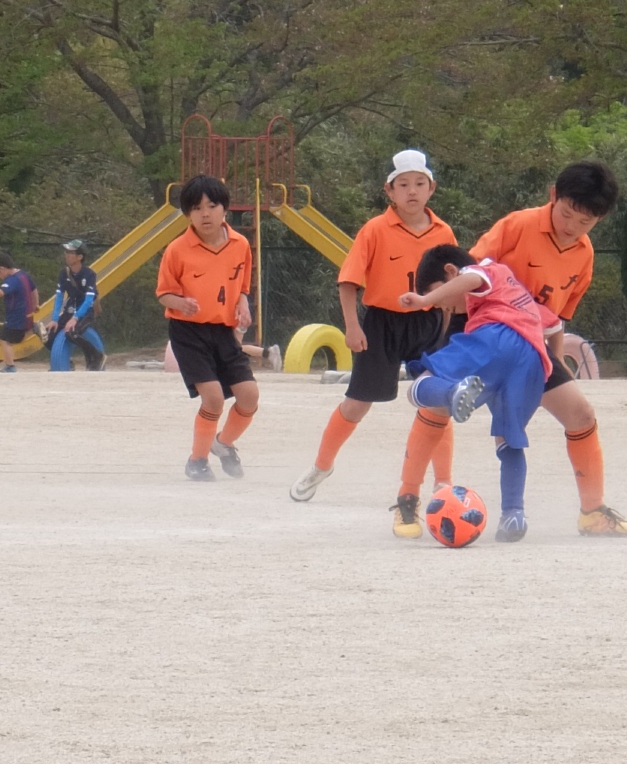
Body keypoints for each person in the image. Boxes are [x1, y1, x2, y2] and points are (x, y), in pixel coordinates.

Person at [288, 149, 458, 540]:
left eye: (419, 183)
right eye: (403, 184)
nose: (412, 191)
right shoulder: (375, 230)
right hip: (382, 323)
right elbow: (349, 281)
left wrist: (448, 331)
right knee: (357, 403)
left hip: (429, 322)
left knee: (439, 400)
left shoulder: (443, 233)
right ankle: (321, 466)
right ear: (389, 191)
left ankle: (443, 482)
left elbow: (453, 285)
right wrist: (352, 327)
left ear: (431, 188)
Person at [469, 161, 627, 536]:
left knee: (581, 414)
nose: (572, 227)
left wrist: (556, 359)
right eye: (566, 214)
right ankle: (411, 498)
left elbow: (557, 317)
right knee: (440, 407)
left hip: (535, 346)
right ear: (553, 195)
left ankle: (591, 513)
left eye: (585, 222)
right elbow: (470, 273)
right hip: (491, 337)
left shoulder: (584, 255)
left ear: (600, 219)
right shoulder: (517, 226)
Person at [398, 245, 552, 542]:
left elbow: (470, 278)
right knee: (509, 441)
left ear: (450, 272)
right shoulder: (514, 288)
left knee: (418, 386)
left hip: (497, 338)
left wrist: (424, 300)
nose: (443, 306)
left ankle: (452, 392)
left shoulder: (487, 270)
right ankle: (513, 513)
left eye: (441, 297)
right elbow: (553, 324)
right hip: (533, 361)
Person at [156, 174, 258, 481]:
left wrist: (243, 303)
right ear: (187, 213)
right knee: (213, 398)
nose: (205, 214)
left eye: (212, 206)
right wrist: (180, 302)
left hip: (224, 331)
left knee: (249, 396)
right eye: (197, 208)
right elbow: (163, 294)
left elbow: (242, 284)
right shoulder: (177, 249)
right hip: (188, 332)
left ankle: (223, 443)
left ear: (224, 208)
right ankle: (197, 461)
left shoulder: (240, 244)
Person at [46, 239, 106, 371]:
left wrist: (75, 318)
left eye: (70, 252)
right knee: (48, 335)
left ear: (80, 257)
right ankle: (65, 362)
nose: (66, 255)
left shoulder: (89, 274)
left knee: (72, 332)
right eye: (66, 252)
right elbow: (59, 297)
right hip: (70, 309)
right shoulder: (64, 273)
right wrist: (55, 319)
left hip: (85, 311)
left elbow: (89, 300)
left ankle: (97, 356)